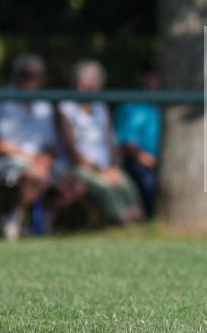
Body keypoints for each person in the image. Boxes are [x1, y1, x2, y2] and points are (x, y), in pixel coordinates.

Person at [0, 54, 62, 239]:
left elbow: (50, 143)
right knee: (35, 175)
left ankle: (39, 223)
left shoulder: (44, 105)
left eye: (35, 75)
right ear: (15, 75)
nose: (30, 80)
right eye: (25, 74)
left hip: (37, 163)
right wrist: (34, 159)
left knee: (70, 181)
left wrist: (46, 159)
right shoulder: (0, 102)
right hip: (3, 162)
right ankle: (13, 219)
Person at [57, 60, 144, 226]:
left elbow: (112, 143)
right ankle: (119, 223)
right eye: (85, 86)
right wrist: (102, 170)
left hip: (107, 167)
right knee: (104, 187)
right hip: (80, 167)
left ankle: (138, 223)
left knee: (127, 185)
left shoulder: (101, 108)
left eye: (93, 87)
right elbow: (73, 150)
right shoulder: (66, 109)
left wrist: (115, 167)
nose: (89, 91)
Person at [114, 62, 161, 218]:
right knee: (149, 182)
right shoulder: (131, 105)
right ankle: (151, 219)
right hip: (138, 162)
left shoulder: (164, 104)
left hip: (162, 162)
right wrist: (151, 161)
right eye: (149, 75)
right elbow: (127, 144)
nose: (153, 80)